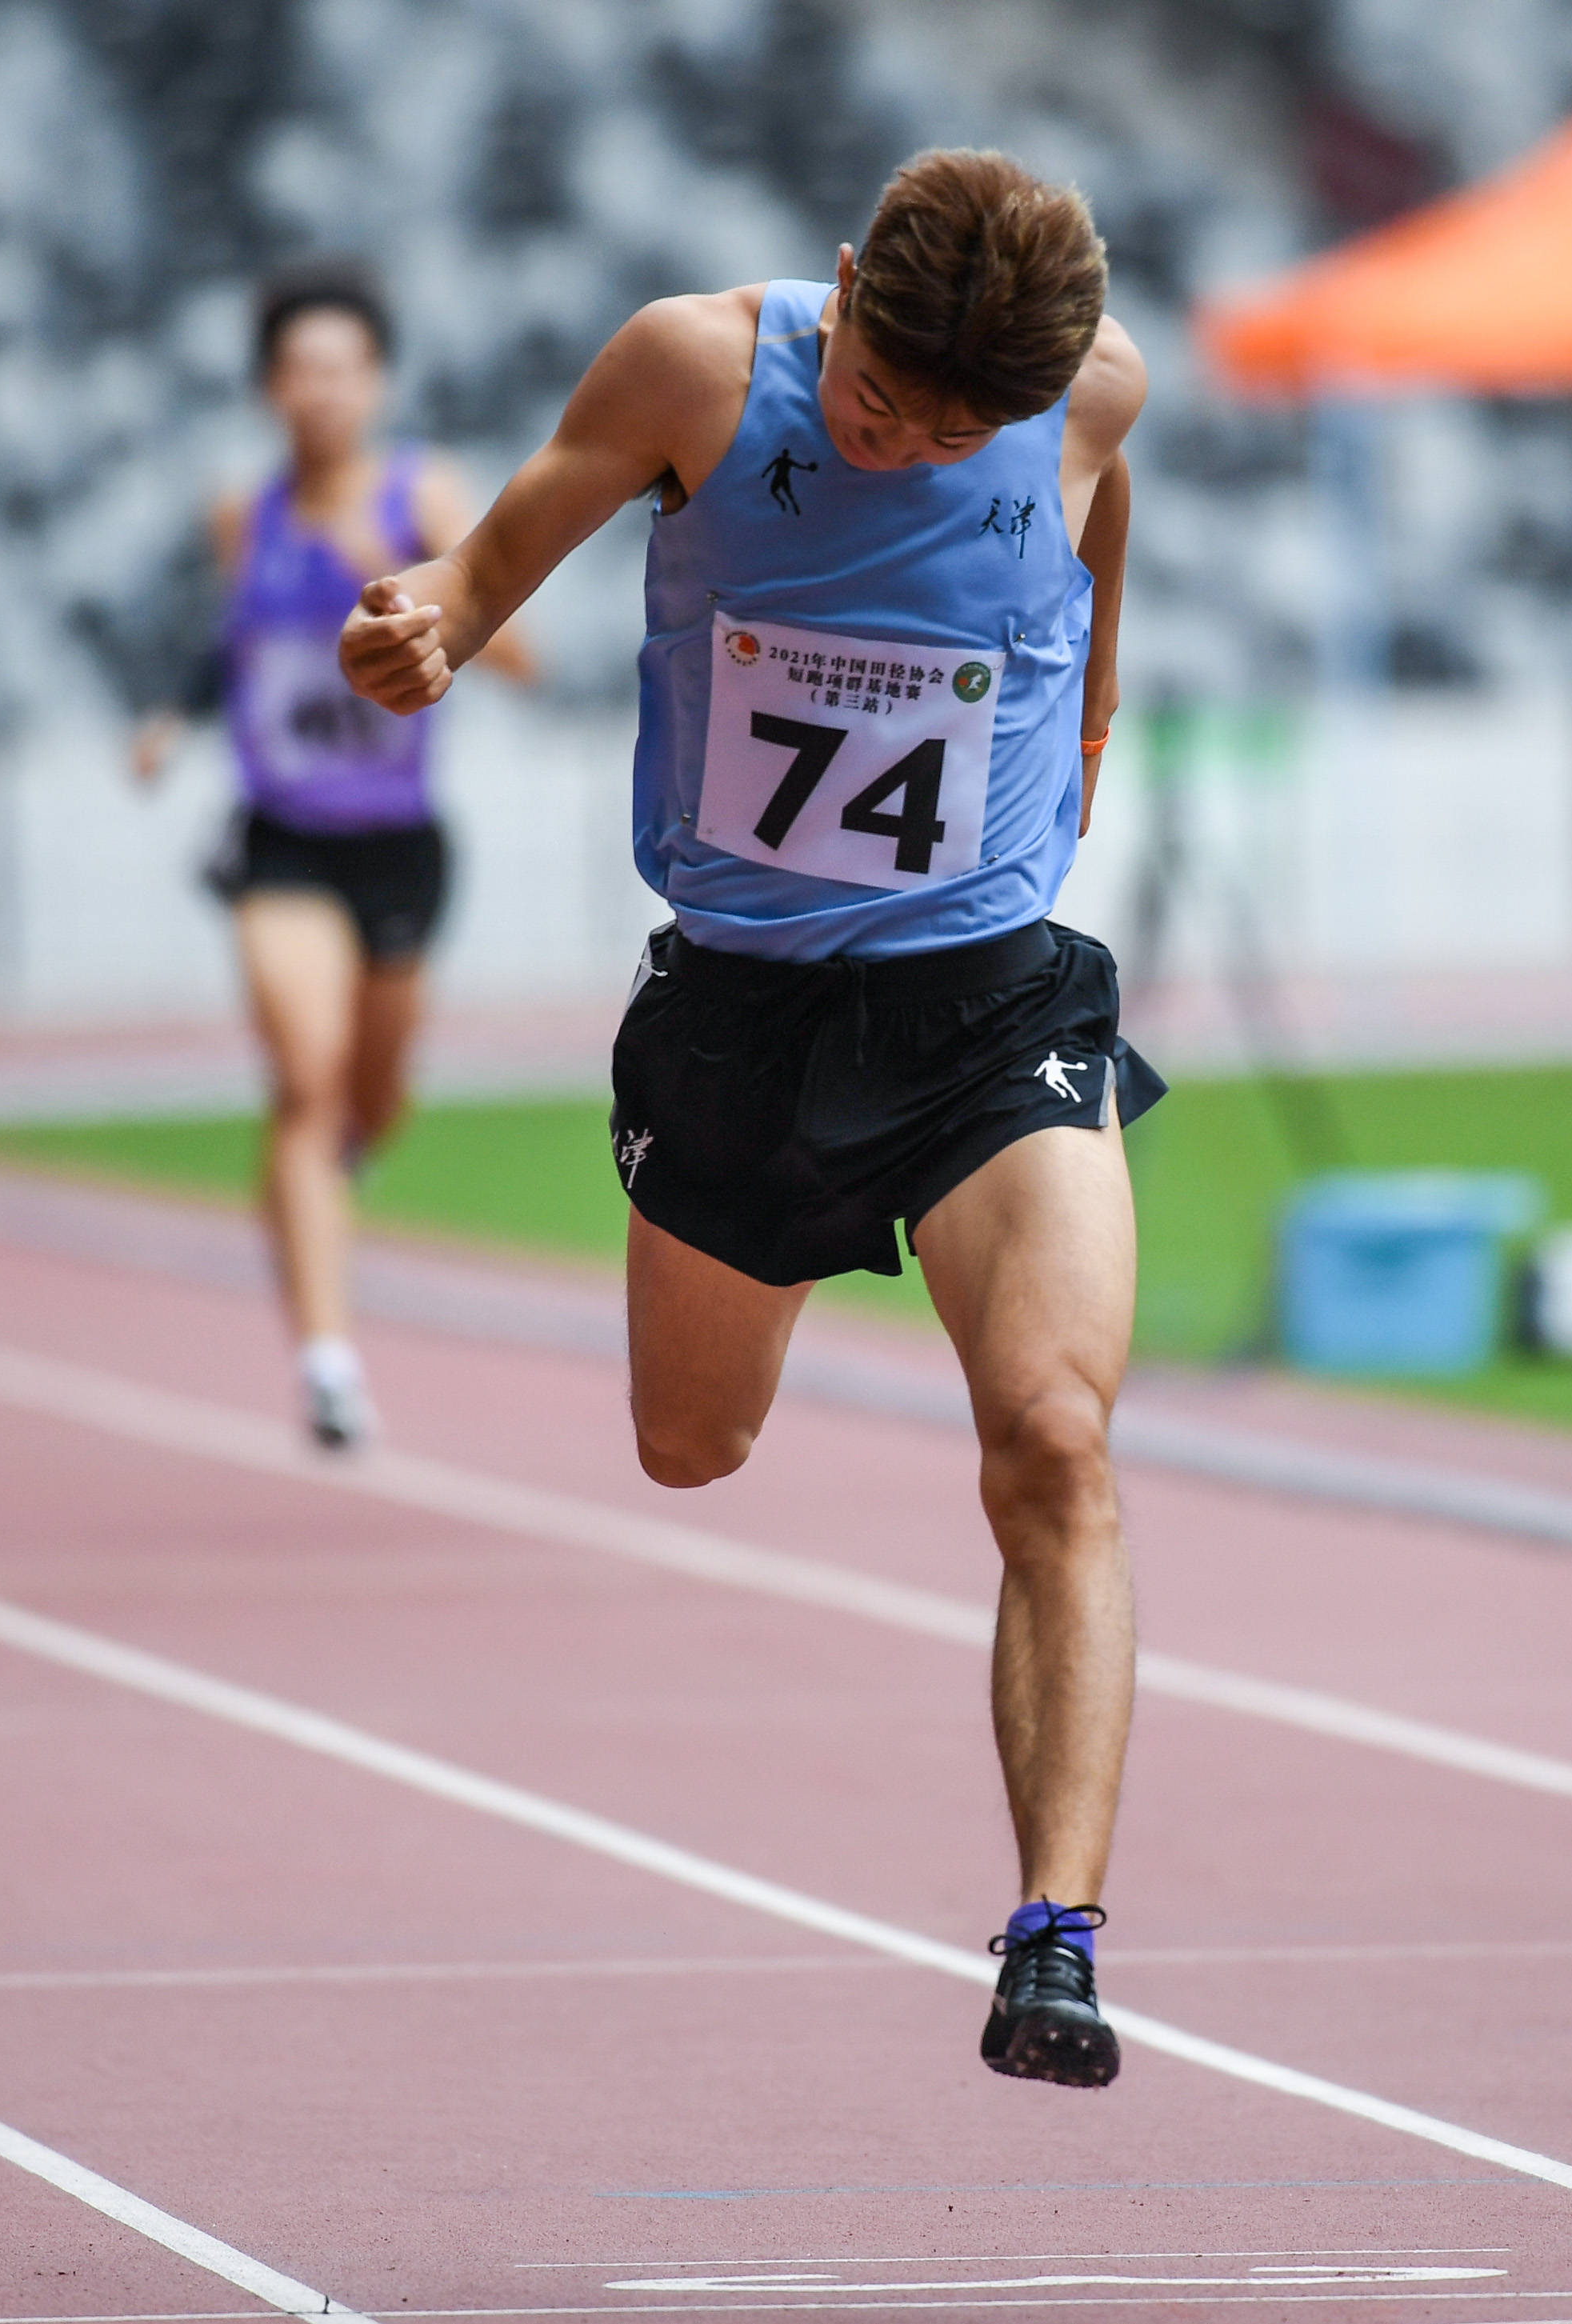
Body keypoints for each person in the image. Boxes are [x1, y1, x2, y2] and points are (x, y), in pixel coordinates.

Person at [342, 151, 1154, 2086]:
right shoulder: (692, 371)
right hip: (743, 1010)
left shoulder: (1094, 394)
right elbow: (495, 550)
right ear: (845, 281)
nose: (900, 443)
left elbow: (1096, 520)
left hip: (985, 1001)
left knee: (1052, 1443)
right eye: (877, 397)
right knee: (688, 1444)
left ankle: (1053, 1937)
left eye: (955, 429)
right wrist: (434, 626)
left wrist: (1093, 717)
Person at [136, 261, 532, 1449]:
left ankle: (339, 1151)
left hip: (400, 849)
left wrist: (419, 594)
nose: (322, 393)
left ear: (376, 382)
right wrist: (174, 715)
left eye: (343, 370)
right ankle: (328, 1362)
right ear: (269, 388)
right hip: (282, 841)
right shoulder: (240, 513)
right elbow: (235, 639)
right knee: (305, 1078)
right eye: (299, 371)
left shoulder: (426, 494)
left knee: (374, 1100)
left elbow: (515, 653)